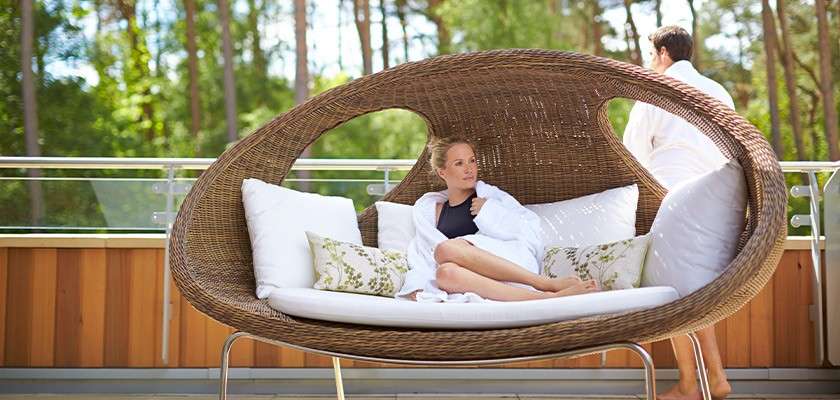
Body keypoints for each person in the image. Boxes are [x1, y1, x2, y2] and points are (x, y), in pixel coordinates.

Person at [622, 25, 734, 400]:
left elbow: (631, 155)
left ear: (664, 54)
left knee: (674, 291)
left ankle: (696, 382)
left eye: (651, 55)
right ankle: (708, 379)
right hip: (717, 204)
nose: (650, 63)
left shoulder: (656, 91)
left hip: (669, 203)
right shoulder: (719, 93)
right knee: (691, 289)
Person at [394, 136, 599, 303]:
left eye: (472, 160)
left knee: (445, 249)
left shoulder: (490, 198)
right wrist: (417, 284)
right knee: (444, 274)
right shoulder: (430, 211)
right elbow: (421, 255)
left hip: (508, 265)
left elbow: (527, 227)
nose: (469, 168)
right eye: (459, 163)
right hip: (469, 279)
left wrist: (490, 211)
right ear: (442, 172)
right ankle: (542, 298)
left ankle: (543, 283)